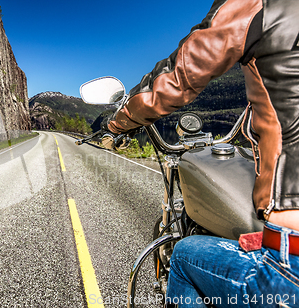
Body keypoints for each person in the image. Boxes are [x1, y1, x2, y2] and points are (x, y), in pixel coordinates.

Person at [103, 0, 299, 306]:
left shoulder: (259, 5)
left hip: (292, 260)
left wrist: (116, 124)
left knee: (183, 257)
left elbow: (178, 76)